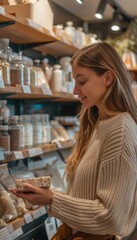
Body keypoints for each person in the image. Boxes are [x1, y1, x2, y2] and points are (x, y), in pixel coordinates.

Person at [11, 42, 137, 240]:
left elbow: (113, 218)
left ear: (108, 78)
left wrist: (53, 199)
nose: (75, 90)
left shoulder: (120, 130)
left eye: (82, 81)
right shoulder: (99, 122)